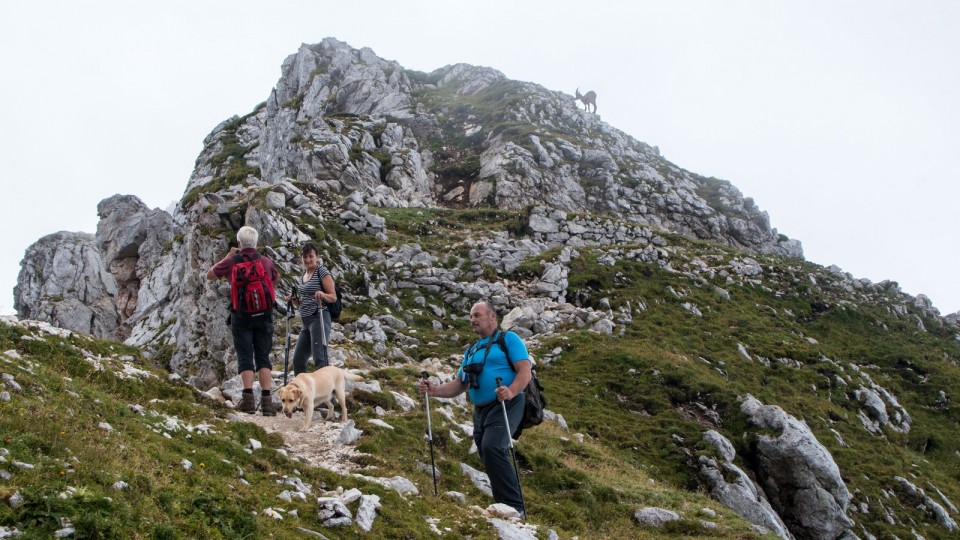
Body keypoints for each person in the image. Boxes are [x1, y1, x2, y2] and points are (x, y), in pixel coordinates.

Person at [418, 301, 532, 515]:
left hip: (506, 404)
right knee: (486, 452)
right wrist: (433, 391)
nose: (473, 320)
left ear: (492, 317)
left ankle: (515, 508)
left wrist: (511, 391)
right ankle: (503, 506)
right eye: (471, 316)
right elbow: (460, 384)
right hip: (481, 410)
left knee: (493, 447)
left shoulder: (508, 339)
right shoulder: (472, 350)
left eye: (477, 315)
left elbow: (525, 371)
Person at [206, 226, 280, 416]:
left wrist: (227, 257)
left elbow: (210, 275)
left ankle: (247, 401)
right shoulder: (264, 261)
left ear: (239, 243)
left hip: (242, 317)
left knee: (245, 357)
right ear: (256, 243)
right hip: (264, 315)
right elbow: (275, 279)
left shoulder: (232, 261)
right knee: (263, 358)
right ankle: (267, 404)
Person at [284, 242, 337, 374]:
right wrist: (294, 300)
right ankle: (301, 391)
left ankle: (326, 392)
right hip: (306, 321)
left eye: (311, 256)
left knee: (319, 357)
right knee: (298, 360)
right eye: (305, 257)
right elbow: (302, 303)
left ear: (317, 257)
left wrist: (322, 294)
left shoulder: (322, 271)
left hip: (319, 318)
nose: (308, 260)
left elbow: (333, 297)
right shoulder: (303, 276)